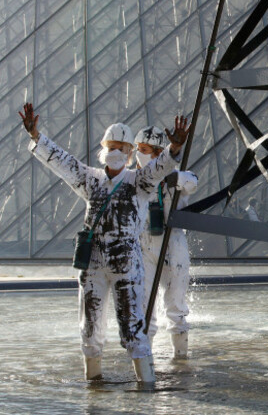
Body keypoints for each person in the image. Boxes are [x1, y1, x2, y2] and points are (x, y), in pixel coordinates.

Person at [19, 103, 189, 382]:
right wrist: (37, 137)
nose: (116, 152)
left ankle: (145, 388)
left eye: (122, 147)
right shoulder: (91, 179)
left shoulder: (140, 181)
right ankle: (94, 387)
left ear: (130, 152)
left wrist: (173, 150)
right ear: (103, 147)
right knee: (90, 328)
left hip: (127, 264)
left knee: (133, 328)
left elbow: (160, 168)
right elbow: (62, 161)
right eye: (112, 146)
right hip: (94, 264)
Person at [134, 126, 198, 360]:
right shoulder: (132, 179)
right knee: (144, 306)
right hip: (142, 244)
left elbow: (193, 182)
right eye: (140, 150)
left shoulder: (176, 176)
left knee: (176, 305)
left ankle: (181, 359)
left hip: (173, 241)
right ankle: (145, 358)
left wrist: (175, 177)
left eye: (149, 151)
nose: (143, 155)